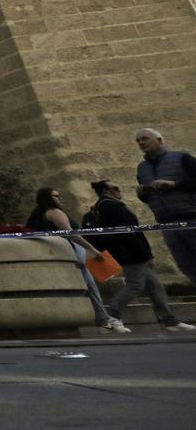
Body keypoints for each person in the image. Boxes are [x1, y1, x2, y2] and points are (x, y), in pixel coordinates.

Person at [86, 180, 194, 332]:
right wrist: (144, 254)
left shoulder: (109, 205)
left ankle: (168, 320)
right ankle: (112, 315)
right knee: (135, 285)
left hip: (133, 253)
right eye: (115, 188)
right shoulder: (109, 206)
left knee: (155, 286)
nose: (119, 190)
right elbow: (127, 234)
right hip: (131, 254)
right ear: (105, 191)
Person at [25, 187, 129, 333]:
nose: (58, 198)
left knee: (89, 287)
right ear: (47, 198)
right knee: (91, 287)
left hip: (59, 254)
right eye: (55, 196)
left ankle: (103, 319)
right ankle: (104, 320)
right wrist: (92, 249)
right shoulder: (55, 213)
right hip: (71, 252)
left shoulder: (38, 215)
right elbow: (72, 234)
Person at [134, 128, 196, 286]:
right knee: (187, 265)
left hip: (191, 218)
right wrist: (142, 193)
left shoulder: (183, 158)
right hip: (167, 224)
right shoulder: (142, 168)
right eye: (138, 140)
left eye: (145, 138)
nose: (141, 143)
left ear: (160, 140)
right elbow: (148, 198)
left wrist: (174, 184)